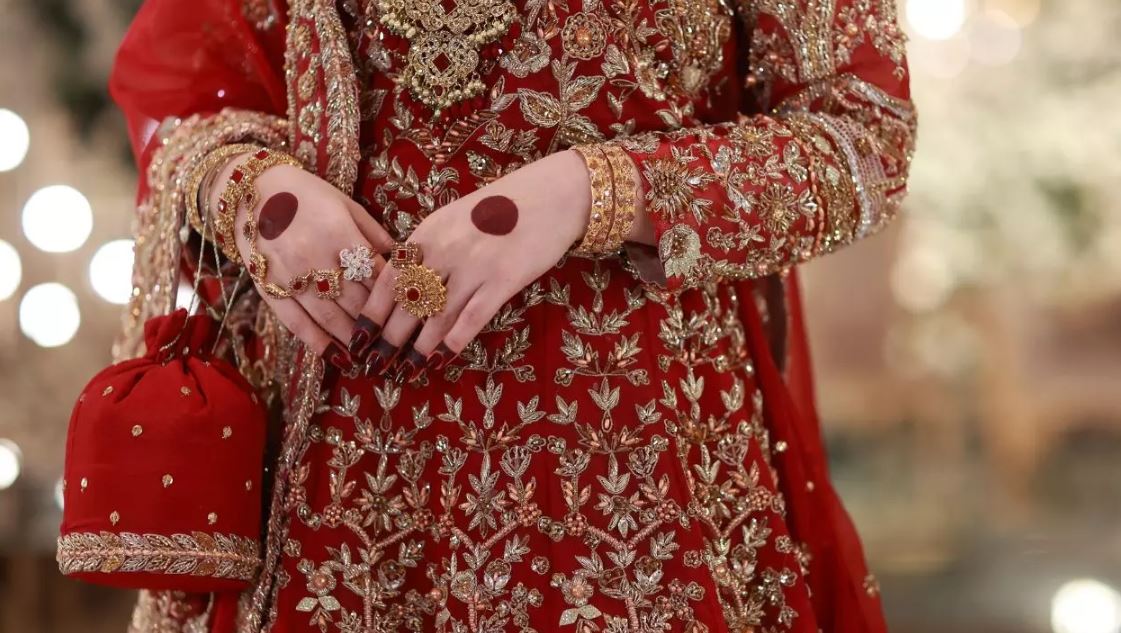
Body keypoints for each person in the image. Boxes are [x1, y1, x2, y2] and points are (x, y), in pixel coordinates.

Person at [98, 0, 916, 630]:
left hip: (636, 475)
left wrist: (590, 192)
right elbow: (193, 99)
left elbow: (861, 140)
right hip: (337, 475)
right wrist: (251, 192)